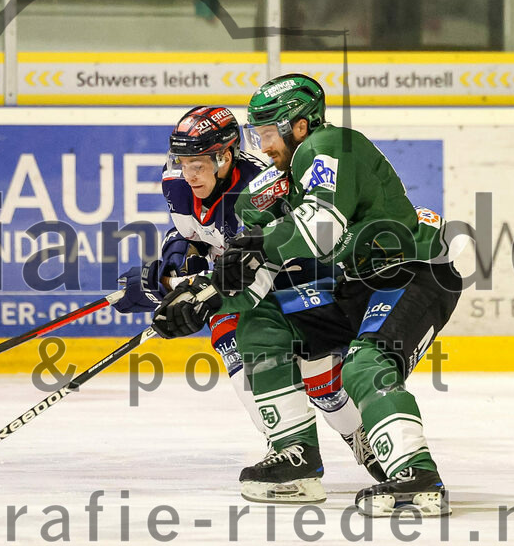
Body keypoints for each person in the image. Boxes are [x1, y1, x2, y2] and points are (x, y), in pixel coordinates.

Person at [151, 75, 462, 518]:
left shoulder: (330, 144)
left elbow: (320, 229)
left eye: (269, 133)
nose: (262, 145)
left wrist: (254, 247)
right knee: (261, 325)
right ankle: (295, 458)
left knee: (365, 363)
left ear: (299, 126)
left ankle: (418, 476)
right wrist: (205, 300)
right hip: (352, 284)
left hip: (411, 272)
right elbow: (263, 276)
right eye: (257, 135)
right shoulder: (277, 185)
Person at [114, 105, 385, 482]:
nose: (188, 174)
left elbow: (254, 260)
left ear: (225, 157)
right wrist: (174, 265)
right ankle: (285, 443)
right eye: (182, 161)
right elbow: (194, 235)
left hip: (299, 274)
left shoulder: (261, 188)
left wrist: (187, 286)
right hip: (245, 284)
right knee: (229, 336)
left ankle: (360, 434)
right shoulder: (175, 181)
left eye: (199, 164)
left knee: (321, 378)